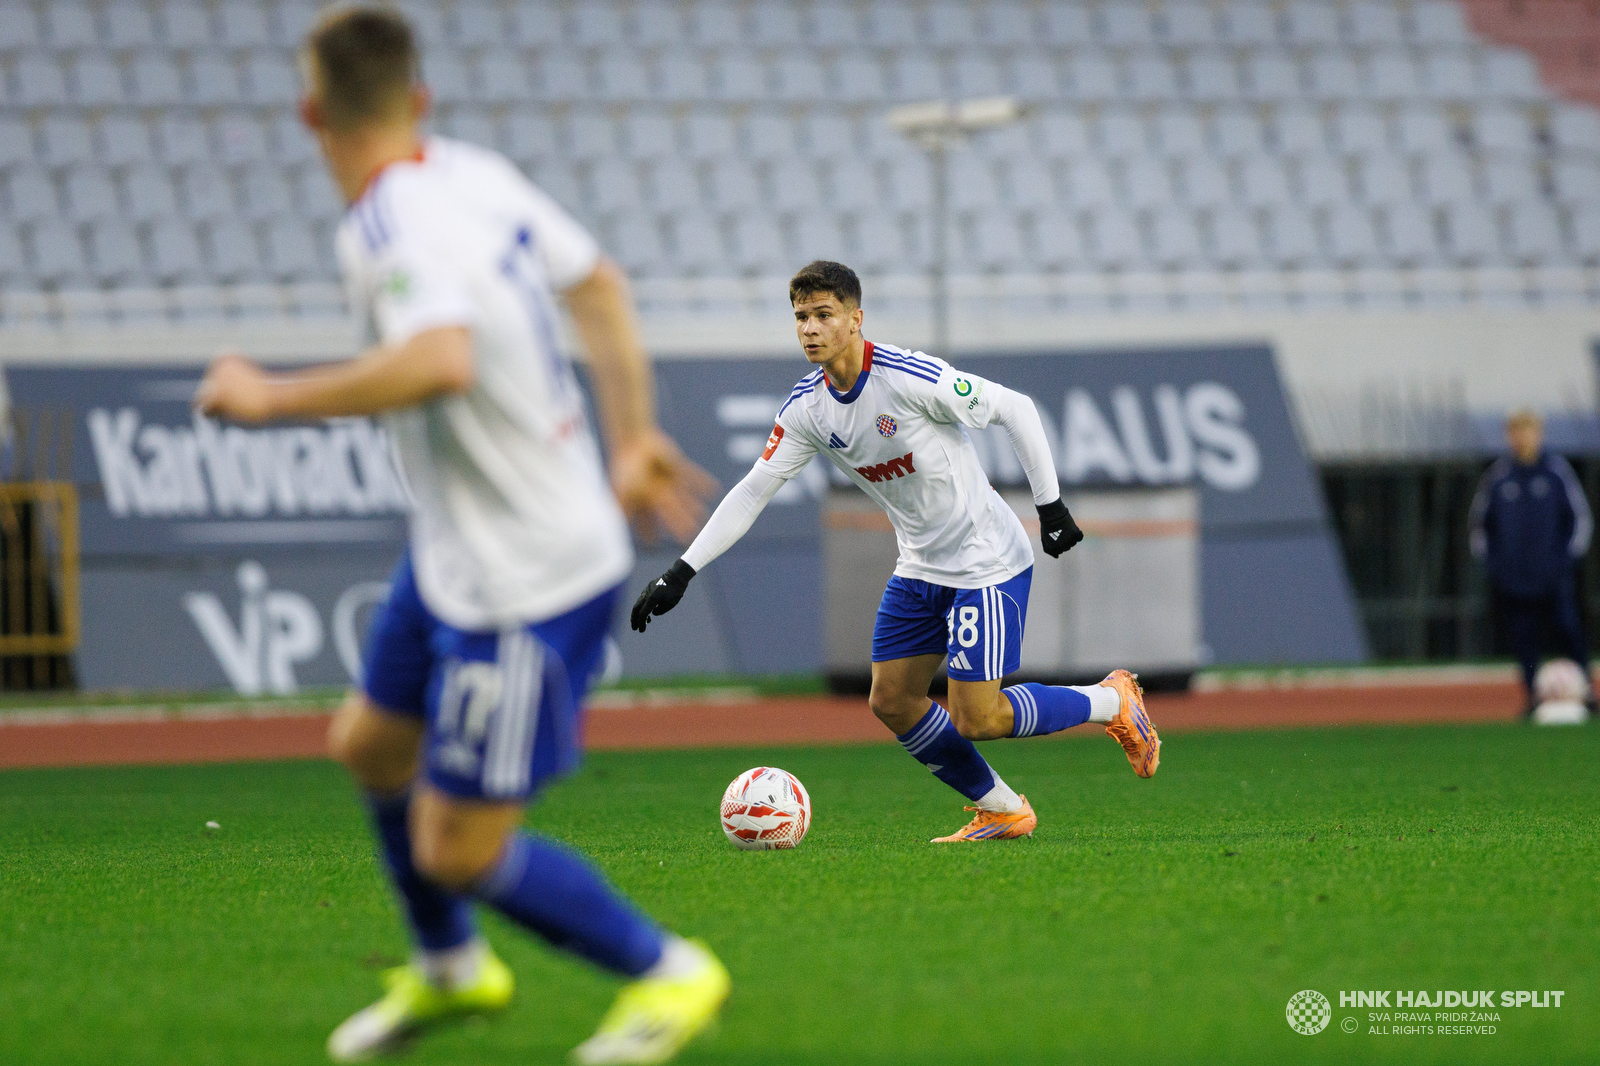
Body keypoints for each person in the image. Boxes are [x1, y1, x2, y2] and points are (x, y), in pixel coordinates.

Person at [194, 8, 727, 1064]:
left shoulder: (386, 224)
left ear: (311, 115)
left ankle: (667, 972)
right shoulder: (473, 174)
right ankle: (452, 972)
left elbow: (438, 359)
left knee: (456, 843)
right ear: (419, 101)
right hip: (454, 553)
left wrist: (267, 397)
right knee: (370, 744)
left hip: (522, 575)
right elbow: (600, 285)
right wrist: (630, 437)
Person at [631, 261, 1161, 842]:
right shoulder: (807, 408)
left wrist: (1051, 506)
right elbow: (755, 488)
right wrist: (682, 571)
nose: (809, 328)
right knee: (892, 701)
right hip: (919, 565)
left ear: (856, 320)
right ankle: (1004, 809)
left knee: (977, 717)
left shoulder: (908, 378)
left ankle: (1110, 701)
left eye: (823, 315)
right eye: (801, 317)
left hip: (984, 560)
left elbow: (1016, 408)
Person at [1470, 408, 1593, 715]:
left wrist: (1563, 562)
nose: (1521, 438)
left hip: (1553, 575)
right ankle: (1533, 697)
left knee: (1568, 630)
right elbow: (1479, 527)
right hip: (1514, 579)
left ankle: (1587, 693)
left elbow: (1579, 519)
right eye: (1515, 431)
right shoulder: (1498, 476)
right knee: (1524, 640)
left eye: (1527, 431)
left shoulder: (1556, 471)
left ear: (1539, 434)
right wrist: (1497, 568)